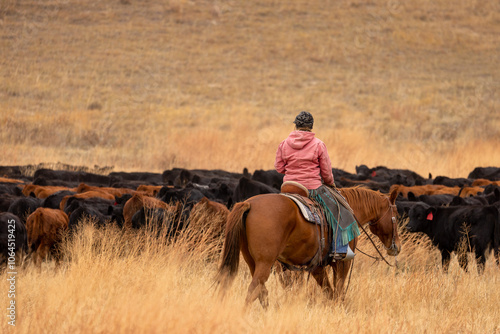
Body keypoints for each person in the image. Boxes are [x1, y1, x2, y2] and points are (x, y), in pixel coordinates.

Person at [274, 111, 358, 260]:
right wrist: (330, 183)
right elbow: (326, 171)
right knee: (341, 211)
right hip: (311, 189)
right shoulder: (318, 144)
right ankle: (339, 249)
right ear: (311, 127)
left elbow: (279, 168)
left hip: (288, 187)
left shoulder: (284, 143)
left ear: (296, 125)